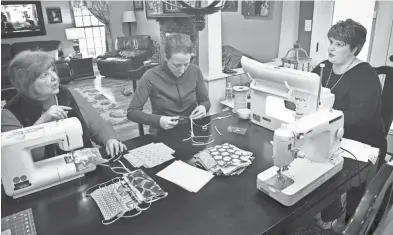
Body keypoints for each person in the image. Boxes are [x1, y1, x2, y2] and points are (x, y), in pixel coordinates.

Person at [311, 19, 386, 230]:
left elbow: (360, 117)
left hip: (361, 140)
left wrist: (325, 116)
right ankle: (324, 209)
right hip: (330, 132)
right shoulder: (323, 68)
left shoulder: (365, 75)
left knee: (325, 166)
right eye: (331, 41)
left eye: (339, 44)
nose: (331, 48)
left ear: (354, 49)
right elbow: (307, 94)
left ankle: (337, 212)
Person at [2, 50, 126, 161]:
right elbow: (20, 157)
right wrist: (42, 122)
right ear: (26, 83)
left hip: (85, 163)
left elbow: (98, 126)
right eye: (45, 75)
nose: (55, 78)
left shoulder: (68, 94)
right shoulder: (11, 113)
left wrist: (110, 139)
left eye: (52, 71)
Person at [127, 33, 211, 135]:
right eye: (176, 65)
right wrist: (158, 120)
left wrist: (203, 107)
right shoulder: (150, 76)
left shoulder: (195, 71)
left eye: (186, 64)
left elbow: (205, 101)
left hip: (192, 129)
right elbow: (132, 112)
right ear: (166, 57)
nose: (182, 70)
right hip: (162, 133)